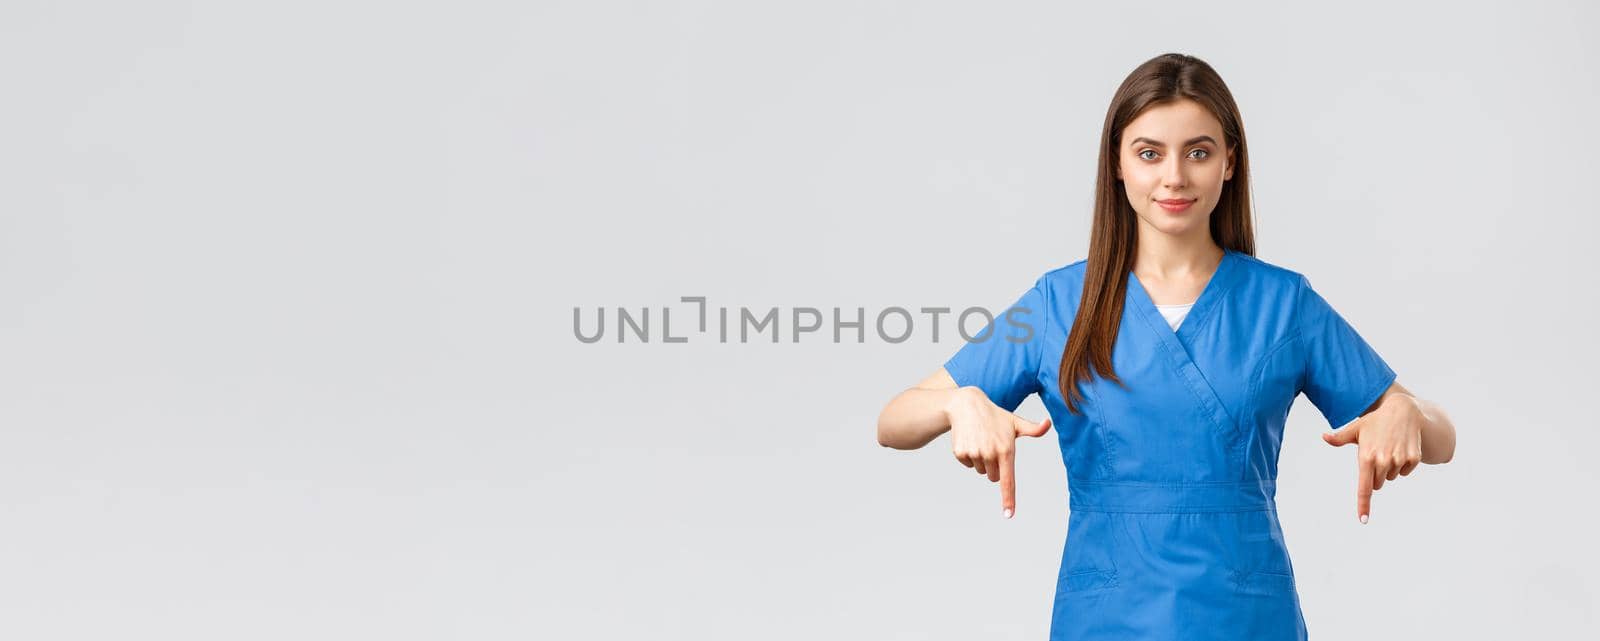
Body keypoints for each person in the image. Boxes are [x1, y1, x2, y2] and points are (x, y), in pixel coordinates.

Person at [875, 53, 1458, 640]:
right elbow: (893, 421)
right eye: (1149, 153)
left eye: (1198, 152)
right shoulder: (1059, 303)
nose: (1174, 177)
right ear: (1118, 165)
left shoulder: (1284, 305)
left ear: (1230, 162)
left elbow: (1441, 438)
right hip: (1106, 618)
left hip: (1247, 616)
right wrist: (958, 403)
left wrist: (1407, 412)